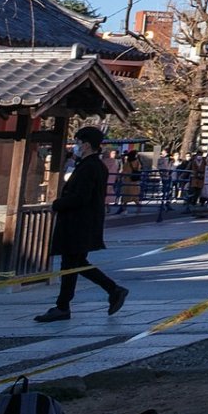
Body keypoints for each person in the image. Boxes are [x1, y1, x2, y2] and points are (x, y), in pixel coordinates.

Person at [36, 126, 129, 322]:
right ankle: (107, 292)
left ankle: (66, 305)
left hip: (78, 223)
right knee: (75, 264)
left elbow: (80, 197)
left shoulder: (88, 167)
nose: (76, 146)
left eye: (78, 142)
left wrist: (56, 204)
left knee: (72, 264)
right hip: (85, 223)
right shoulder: (96, 166)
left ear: (86, 145)